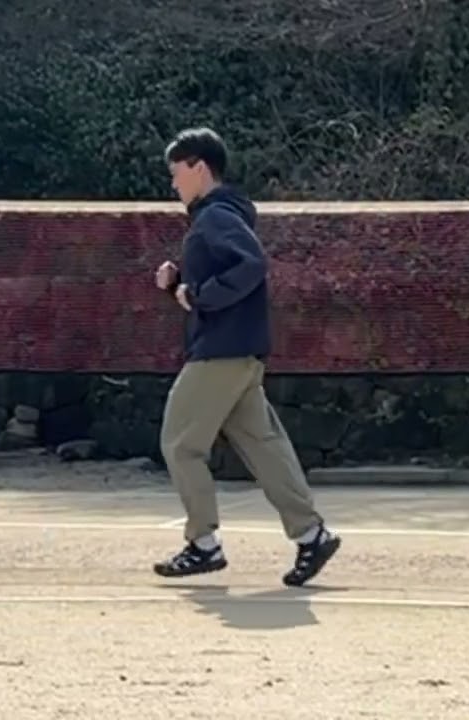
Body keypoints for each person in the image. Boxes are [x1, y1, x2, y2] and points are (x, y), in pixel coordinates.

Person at [152, 127, 341, 587]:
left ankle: (203, 543)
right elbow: (231, 271)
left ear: (199, 167)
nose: (173, 184)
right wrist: (179, 282)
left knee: (180, 442)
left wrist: (199, 295)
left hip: (220, 351)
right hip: (242, 349)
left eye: (176, 173)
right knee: (263, 444)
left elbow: (250, 265)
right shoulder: (223, 214)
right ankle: (311, 534)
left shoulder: (214, 216)